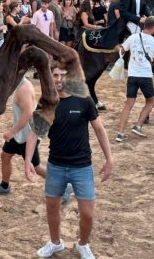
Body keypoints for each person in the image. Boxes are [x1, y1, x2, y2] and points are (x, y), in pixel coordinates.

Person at [28, 63, 113, 259]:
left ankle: (83, 244)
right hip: (55, 165)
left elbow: (99, 129)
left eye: (61, 75)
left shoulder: (84, 99)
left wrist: (109, 159)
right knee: (52, 207)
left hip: (81, 166)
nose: (58, 79)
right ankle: (55, 243)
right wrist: (27, 162)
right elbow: (34, 133)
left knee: (87, 213)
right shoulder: (46, 103)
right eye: (54, 75)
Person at [115, 16, 154, 142]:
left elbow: (122, 50)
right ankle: (138, 125)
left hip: (132, 75)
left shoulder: (133, 37)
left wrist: (118, 47)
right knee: (150, 101)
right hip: (145, 76)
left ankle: (121, 133)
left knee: (128, 105)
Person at [0, 77, 46, 195]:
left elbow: (28, 114)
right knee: (5, 156)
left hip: (27, 135)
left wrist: (12, 132)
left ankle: (63, 186)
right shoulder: (17, 84)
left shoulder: (23, 88)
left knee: (36, 167)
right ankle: (4, 186)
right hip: (19, 133)